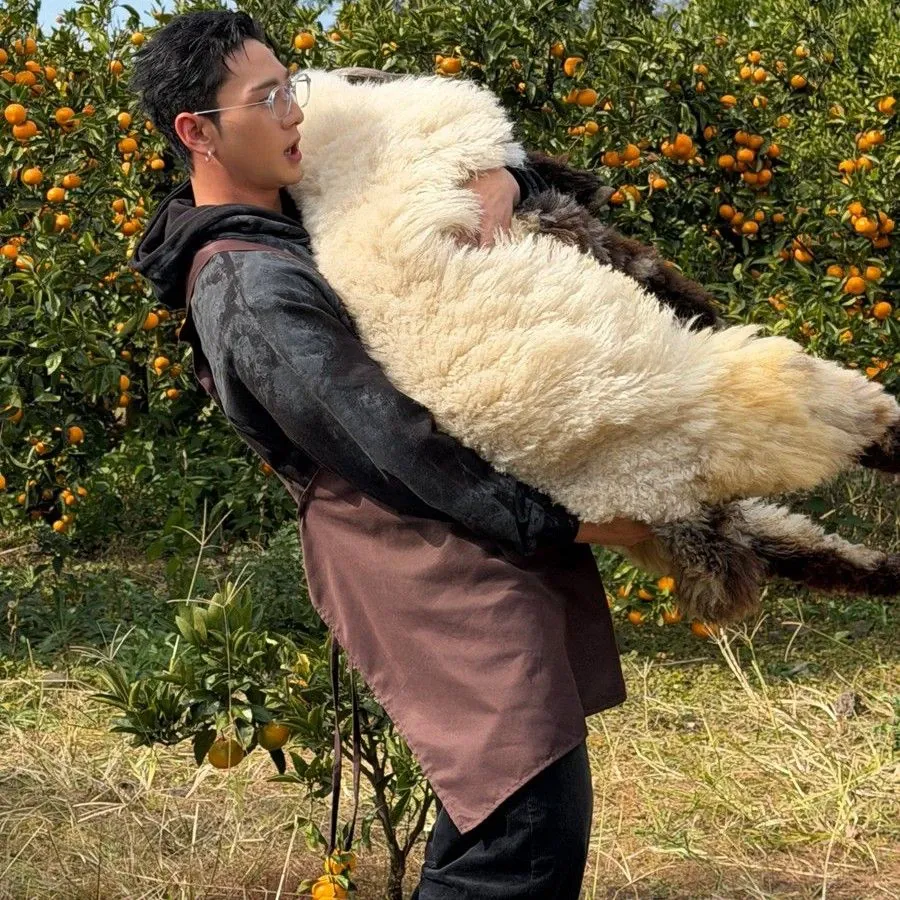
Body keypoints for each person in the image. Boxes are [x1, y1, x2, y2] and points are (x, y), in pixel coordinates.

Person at [129, 11, 652, 898]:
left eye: (290, 85)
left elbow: (434, 122)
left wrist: (500, 182)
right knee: (517, 840)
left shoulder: (301, 191)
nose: (296, 111)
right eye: (268, 98)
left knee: (506, 822)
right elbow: (394, 445)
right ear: (197, 132)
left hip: (459, 547)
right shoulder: (250, 284)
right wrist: (568, 520)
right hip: (429, 558)